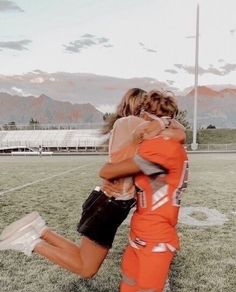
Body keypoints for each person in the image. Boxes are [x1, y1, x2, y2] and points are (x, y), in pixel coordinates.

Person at [0, 89, 184, 280]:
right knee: (86, 268)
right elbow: (179, 134)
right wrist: (165, 121)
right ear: (142, 108)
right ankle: (30, 241)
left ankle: (40, 230)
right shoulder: (137, 125)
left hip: (107, 201)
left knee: (83, 256)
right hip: (111, 204)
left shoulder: (125, 123)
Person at [99, 90, 189, 292]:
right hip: (138, 236)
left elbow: (109, 169)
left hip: (157, 242)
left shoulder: (162, 149)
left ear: (152, 119)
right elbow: (142, 170)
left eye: (144, 116)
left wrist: (137, 139)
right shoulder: (165, 143)